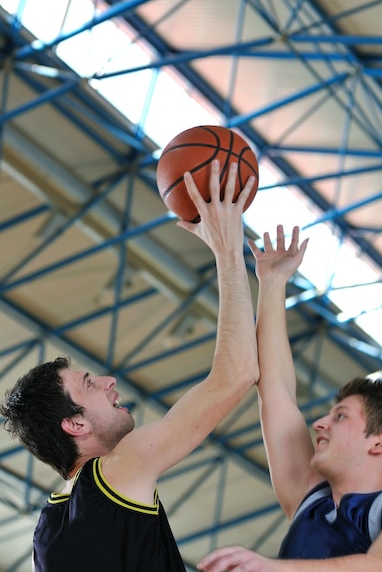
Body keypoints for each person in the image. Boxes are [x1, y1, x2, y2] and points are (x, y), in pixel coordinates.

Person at [0, 160, 259, 572]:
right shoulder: (113, 474)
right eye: (89, 384)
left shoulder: (46, 532)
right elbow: (238, 375)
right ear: (76, 424)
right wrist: (229, 250)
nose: (108, 381)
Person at [198, 224, 382, 572]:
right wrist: (272, 282)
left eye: (341, 416)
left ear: (381, 441)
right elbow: (275, 390)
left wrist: (273, 568)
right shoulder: (311, 497)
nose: (319, 423)